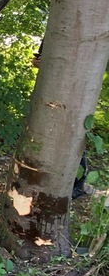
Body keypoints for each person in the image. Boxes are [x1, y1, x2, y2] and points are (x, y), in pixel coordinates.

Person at [33, 43, 90, 199]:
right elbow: (41, 57)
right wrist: (39, 63)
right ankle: (53, 179)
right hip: (52, 95)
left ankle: (79, 185)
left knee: (73, 137)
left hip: (76, 94)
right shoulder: (53, 35)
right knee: (51, 138)